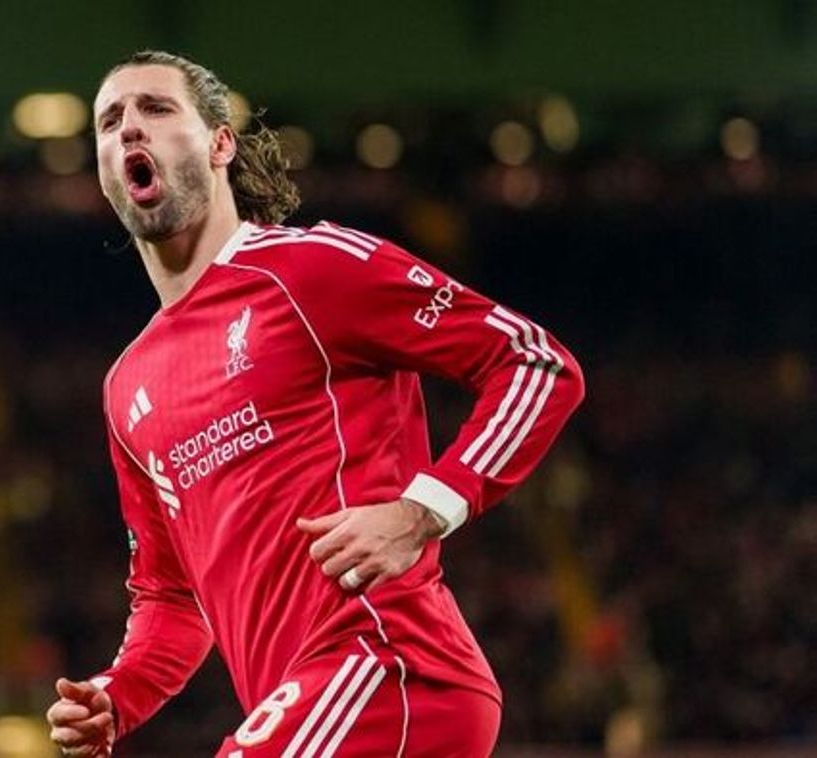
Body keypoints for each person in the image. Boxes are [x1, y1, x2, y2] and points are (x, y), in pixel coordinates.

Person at [47, 50, 585, 757]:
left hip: (389, 665)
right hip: (310, 699)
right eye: (109, 121)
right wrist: (118, 695)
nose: (129, 129)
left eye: (156, 108)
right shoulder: (127, 386)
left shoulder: (308, 270)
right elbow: (170, 598)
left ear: (220, 144)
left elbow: (535, 363)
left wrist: (422, 511)